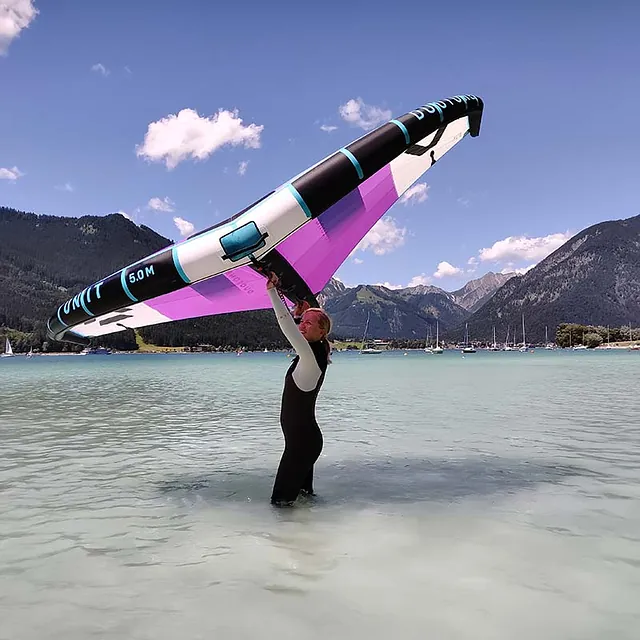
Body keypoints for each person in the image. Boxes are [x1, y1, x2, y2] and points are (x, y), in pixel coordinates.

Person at [266, 272, 332, 507]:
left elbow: (287, 327)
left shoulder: (310, 357)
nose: (302, 325)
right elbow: (295, 326)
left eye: (309, 323)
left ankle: (286, 543)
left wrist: (273, 291)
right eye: (301, 321)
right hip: (304, 443)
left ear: (322, 332)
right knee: (305, 503)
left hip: (302, 445)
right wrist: (300, 313)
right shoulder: (312, 355)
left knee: (280, 505)